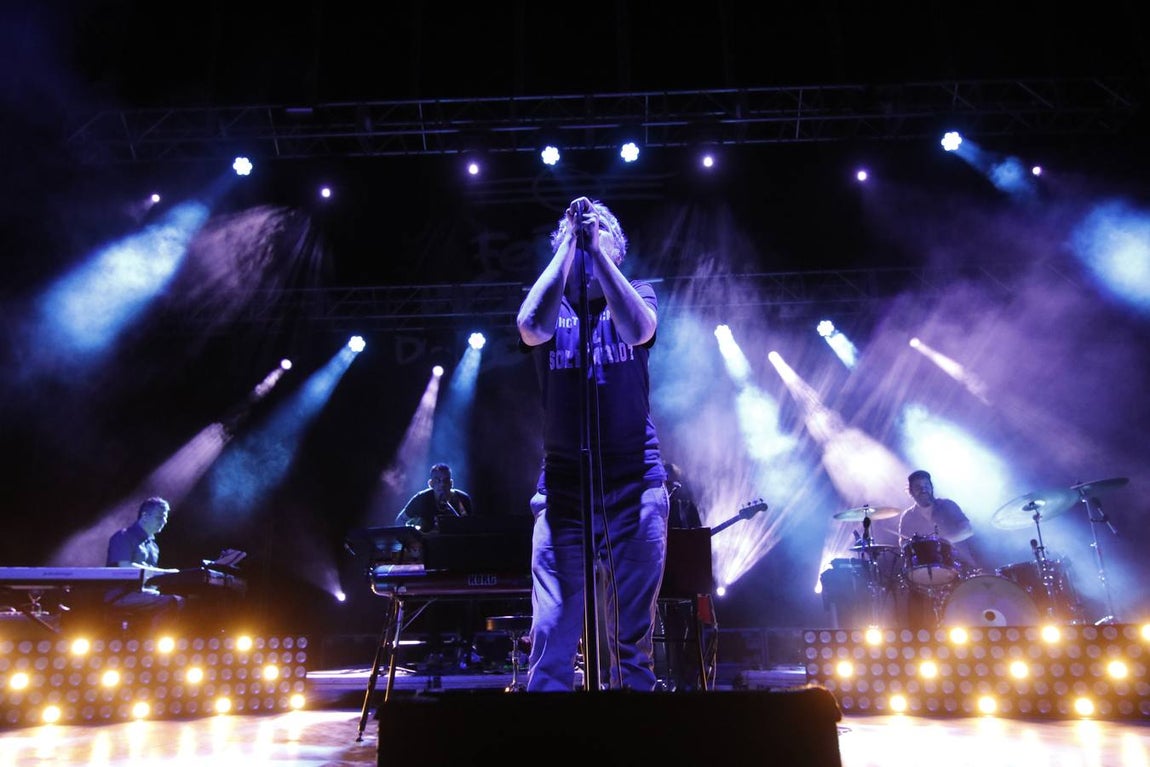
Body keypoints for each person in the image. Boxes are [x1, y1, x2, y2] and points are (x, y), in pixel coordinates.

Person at [516, 195, 669, 692]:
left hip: (636, 481)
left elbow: (639, 330)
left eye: (599, 229)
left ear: (618, 247)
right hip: (564, 488)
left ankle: (634, 736)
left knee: (630, 635)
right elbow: (530, 327)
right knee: (552, 626)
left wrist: (596, 253)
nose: (586, 232)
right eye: (578, 230)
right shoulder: (550, 304)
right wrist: (568, 249)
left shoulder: (638, 292)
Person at [896, 469, 980, 630]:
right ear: (911, 492)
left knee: (966, 611)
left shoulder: (947, 505)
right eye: (918, 487)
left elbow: (968, 529)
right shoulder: (907, 517)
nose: (924, 489)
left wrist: (945, 541)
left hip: (960, 565)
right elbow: (903, 544)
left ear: (932, 487)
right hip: (924, 570)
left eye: (927, 485)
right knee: (912, 601)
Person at [104, 496, 185, 629]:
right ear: (145, 516)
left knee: (185, 600)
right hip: (121, 594)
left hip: (143, 593)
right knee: (173, 602)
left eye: (165, 517)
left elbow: (152, 580)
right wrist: (167, 573)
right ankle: (152, 644)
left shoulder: (153, 546)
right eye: (160, 516)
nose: (164, 521)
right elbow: (125, 568)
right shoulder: (123, 537)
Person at [394, 462, 475, 532]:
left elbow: (470, 528)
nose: (442, 484)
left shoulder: (463, 499)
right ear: (431, 484)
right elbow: (400, 521)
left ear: (451, 483)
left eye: (445, 481)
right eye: (437, 480)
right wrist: (412, 541)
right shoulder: (421, 498)